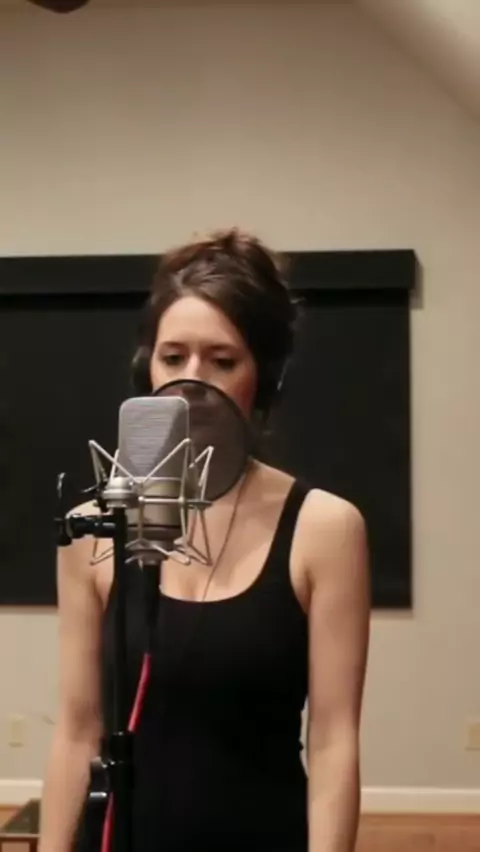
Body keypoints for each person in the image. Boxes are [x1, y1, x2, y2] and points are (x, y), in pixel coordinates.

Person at [38, 227, 370, 852]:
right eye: (173, 357)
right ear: (146, 369)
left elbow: (334, 743)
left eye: (221, 360)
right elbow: (77, 732)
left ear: (264, 379)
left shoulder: (326, 528)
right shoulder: (93, 527)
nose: (192, 381)